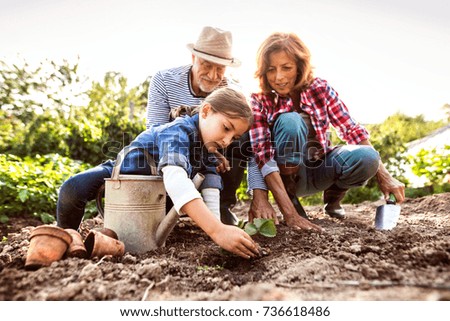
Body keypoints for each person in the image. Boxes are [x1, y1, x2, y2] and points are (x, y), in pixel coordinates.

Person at [58, 87, 259, 259]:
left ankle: (105, 238)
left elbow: (211, 187)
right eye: (226, 128)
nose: (226, 140)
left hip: (153, 196)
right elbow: (175, 177)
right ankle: (65, 237)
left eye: (234, 138)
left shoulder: (208, 148)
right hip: (123, 173)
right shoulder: (177, 131)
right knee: (72, 188)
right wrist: (217, 231)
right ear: (206, 111)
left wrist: (216, 226)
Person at [247, 32, 405, 231]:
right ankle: (292, 202)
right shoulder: (259, 100)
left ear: (299, 67)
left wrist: (385, 177)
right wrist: (291, 215)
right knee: (290, 121)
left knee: (369, 157)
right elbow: (262, 156)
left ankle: (333, 198)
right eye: (271, 70)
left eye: (286, 68)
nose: (278, 77)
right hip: (288, 178)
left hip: (321, 168)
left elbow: (351, 129)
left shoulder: (319, 88)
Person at [146, 26, 251, 225]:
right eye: (206, 65)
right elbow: (156, 129)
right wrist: (208, 151)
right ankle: (168, 202)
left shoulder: (234, 92)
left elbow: (253, 145)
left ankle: (221, 205)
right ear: (193, 58)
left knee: (241, 133)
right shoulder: (164, 80)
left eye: (220, 68)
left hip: (210, 156)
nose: (212, 75)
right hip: (173, 152)